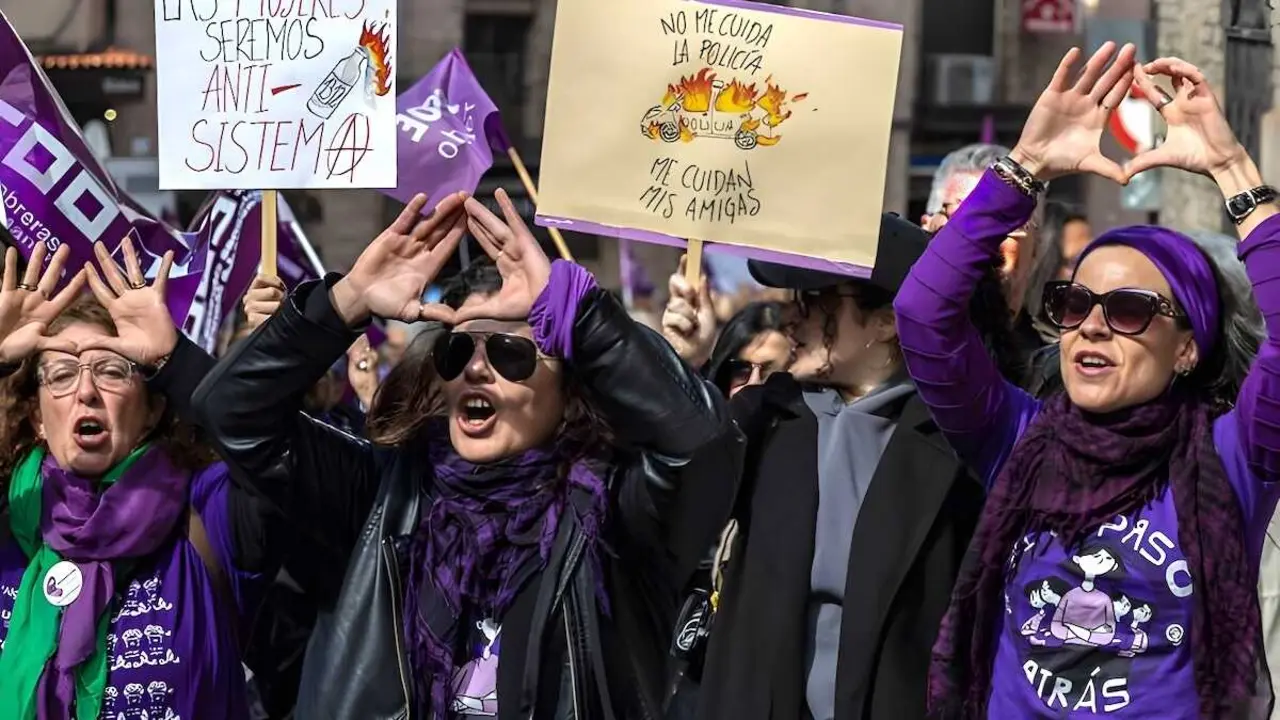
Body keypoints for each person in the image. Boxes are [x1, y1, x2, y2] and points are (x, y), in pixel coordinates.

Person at [188, 189, 738, 719]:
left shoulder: (619, 511)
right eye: (457, 350)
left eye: (509, 352)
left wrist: (581, 313)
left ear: (569, 391)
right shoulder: (387, 495)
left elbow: (703, 444)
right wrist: (346, 300)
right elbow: (231, 412)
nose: (477, 367)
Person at [895, 42, 1280, 717]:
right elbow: (922, 313)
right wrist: (1022, 171)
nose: (1092, 327)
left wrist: (1232, 168)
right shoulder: (1018, 437)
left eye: (1130, 310)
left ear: (1186, 347)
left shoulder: (1233, 456)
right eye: (1073, 305)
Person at [691, 213, 986, 720]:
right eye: (794, 302)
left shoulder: (959, 443)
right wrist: (682, 362)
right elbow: (672, 492)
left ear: (889, 319)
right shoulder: (765, 418)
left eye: (818, 301)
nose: (792, 320)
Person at [0, 240, 277, 718]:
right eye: (62, 375)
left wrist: (175, 360)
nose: (85, 391)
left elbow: (271, 454)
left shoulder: (207, 510)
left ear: (152, 411)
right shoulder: (7, 521)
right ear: (38, 418)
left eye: (111, 371)